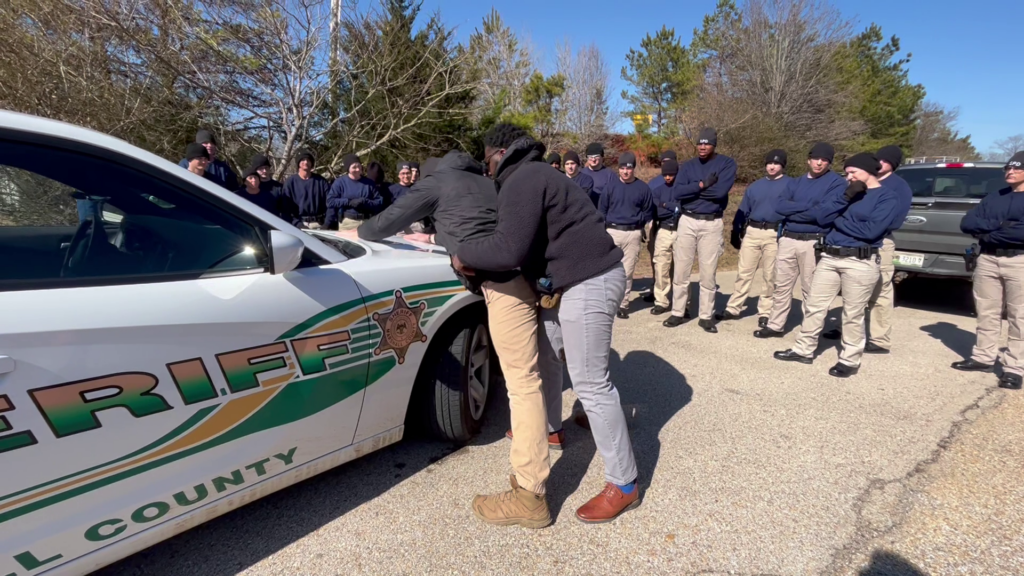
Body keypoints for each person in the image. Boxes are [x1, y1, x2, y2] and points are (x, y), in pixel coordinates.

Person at [358, 146, 557, 527]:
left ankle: (531, 493)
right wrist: (434, 240)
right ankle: (553, 434)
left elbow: (381, 225)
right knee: (540, 365)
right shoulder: (488, 183)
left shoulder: (437, 181)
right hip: (530, 277)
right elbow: (476, 225)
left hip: (502, 284)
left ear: (431, 170)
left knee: (522, 383)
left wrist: (347, 232)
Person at [452, 124, 641, 525]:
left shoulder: (525, 177)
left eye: (487, 162)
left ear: (500, 153)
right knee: (549, 354)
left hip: (588, 280)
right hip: (575, 280)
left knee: (591, 382)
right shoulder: (538, 174)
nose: (488, 171)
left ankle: (624, 484)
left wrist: (460, 252)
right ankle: (551, 429)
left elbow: (508, 248)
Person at [773, 153, 901, 378]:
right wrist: (844, 200)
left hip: (860, 261)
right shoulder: (848, 193)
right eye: (847, 172)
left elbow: (870, 231)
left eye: (853, 172)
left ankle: (849, 359)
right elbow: (821, 216)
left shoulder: (886, 198)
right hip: (830, 257)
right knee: (814, 305)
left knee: (853, 313)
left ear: (869, 172)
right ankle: (803, 349)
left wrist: (837, 220)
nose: (848, 177)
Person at [821, 145, 913, 351]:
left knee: (879, 292)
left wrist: (843, 223)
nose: (878, 163)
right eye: (876, 159)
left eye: (884, 160)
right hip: (848, 240)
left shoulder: (898, 187)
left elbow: (892, 221)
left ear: (893, 165)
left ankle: (880, 339)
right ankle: (843, 327)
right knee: (852, 290)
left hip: (880, 241)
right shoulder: (855, 181)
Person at [755, 143, 846, 339]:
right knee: (781, 286)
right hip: (788, 238)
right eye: (816, 158)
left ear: (829, 163)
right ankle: (775, 325)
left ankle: (809, 332)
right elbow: (779, 206)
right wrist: (810, 207)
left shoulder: (836, 183)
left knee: (811, 289)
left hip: (813, 241)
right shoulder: (795, 182)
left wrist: (796, 208)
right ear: (809, 159)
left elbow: (824, 214)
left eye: (824, 160)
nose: (819, 162)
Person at [952, 151, 1024, 390]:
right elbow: (968, 222)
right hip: (988, 260)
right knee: (987, 312)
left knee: (1019, 317)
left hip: (1019, 261)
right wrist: (1000, 227)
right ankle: (983, 357)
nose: (1010, 172)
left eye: (1016, 168)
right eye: (1008, 168)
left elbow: (1020, 233)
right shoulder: (996, 196)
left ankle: (1014, 368)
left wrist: (990, 231)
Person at [662, 128, 737, 333]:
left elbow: (720, 192)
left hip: (711, 223)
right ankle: (678, 311)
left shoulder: (726, 164)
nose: (702, 147)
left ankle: (706, 316)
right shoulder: (688, 166)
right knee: (681, 270)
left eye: (707, 143)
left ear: (714, 145)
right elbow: (678, 192)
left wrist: (693, 191)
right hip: (687, 220)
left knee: (708, 272)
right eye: (700, 143)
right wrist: (703, 184)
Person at [717, 149, 791, 327]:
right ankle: (734, 307)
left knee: (770, 275)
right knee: (744, 272)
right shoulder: (755, 186)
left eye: (776, 163)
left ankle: (766, 311)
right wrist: (736, 231)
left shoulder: (791, 185)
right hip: (753, 231)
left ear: (782, 165)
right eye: (769, 163)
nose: (772, 167)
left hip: (775, 233)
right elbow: (744, 209)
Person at [599, 151, 654, 319]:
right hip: (612, 231)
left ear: (633, 169)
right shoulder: (610, 187)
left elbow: (648, 211)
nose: (625, 171)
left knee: (627, 271)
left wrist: (638, 224)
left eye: (628, 168)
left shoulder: (643, 188)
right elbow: (602, 210)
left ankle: (623, 304)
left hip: (633, 233)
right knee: (608, 270)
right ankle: (607, 303)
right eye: (622, 168)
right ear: (618, 169)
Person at [642, 150, 679, 305]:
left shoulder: (683, 182)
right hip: (656, 225)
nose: (666, 164)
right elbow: (651, 206)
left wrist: (666, 206)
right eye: (663, 161)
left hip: (678, 227)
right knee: (658, 262)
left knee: (677, 264)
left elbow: (681, 207)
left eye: (669, 161)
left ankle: (676, 296)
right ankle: (656, 290)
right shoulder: (654, 183)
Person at [328, 154, 383, 231]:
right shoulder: (340, 182)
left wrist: (365, 202)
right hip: (348, 223)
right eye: (354, 167)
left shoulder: (369, 183)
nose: (357, 169)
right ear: (348, 169)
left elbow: (379, 202)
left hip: (366, 222)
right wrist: (348, 202)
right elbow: (330, 201)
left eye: (359, 166)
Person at [281, 149, 332, 230]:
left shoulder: (321, 181)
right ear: (298, 163)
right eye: (303, 160)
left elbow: (331, 204)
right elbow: (286, 209)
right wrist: (298, 224)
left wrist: (327, 224)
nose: (306, 162)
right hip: (299, 226)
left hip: (319, 225)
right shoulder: (290, 183)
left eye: (308, 160)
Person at [582, 142, 615, 207]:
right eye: (590, 157)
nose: (593, 159)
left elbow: (615, 196)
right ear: (587, 158)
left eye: (596, 156)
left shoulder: (610, 174)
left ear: (602, 157)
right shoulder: (581, 174)